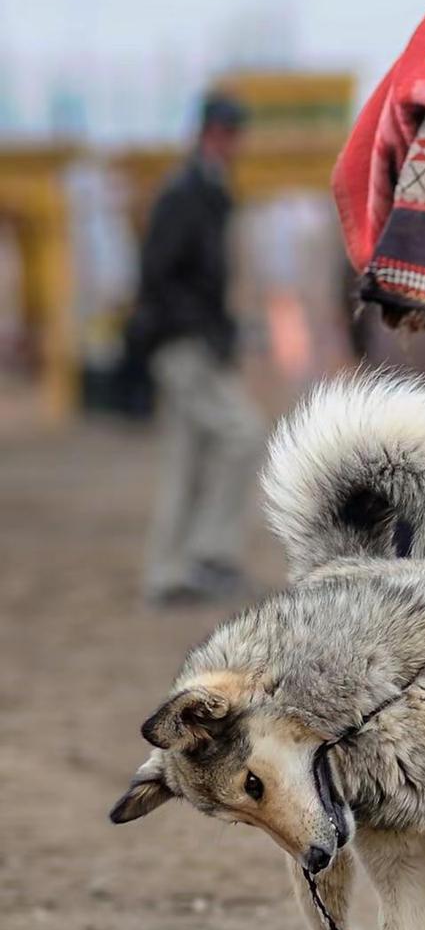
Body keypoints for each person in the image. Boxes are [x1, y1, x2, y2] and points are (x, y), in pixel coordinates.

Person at [130, 89, 263, 605]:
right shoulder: (186, 193)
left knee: (185, 460)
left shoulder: (206, 190)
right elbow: (158, 274)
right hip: (182, 343)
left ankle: (166, 575)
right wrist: (205, 328)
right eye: (230, 133)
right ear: (212, 133)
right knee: (243, 433)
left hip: (189, 340)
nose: (236, 143)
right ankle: (211, 554)